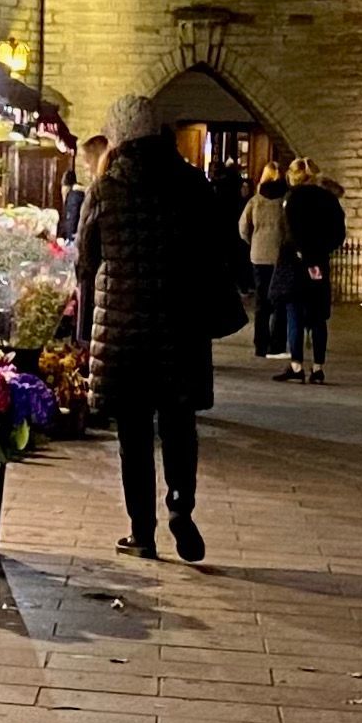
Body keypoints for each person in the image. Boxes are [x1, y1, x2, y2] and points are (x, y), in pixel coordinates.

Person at [81, 93, 234, 560]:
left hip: (124, 332)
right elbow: (217, 251)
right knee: (179, 424)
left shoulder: (105, 189)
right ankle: (180, 506)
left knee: (133, 434)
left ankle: (142, 533)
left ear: (119, 136)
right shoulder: (193, 185)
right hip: (180, 329)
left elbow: (86, 260)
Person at [280, 160, 347, 381]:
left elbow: (291, 232)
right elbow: (338, 233)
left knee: (295, 315)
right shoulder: (329, 199)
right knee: (318, 317)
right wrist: (322, 251)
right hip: (319, 262)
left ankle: (297, 365)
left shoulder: (293, 199)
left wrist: (301, 252)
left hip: (297, 264)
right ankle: (317, 367)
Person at [241, 169, 292, 356]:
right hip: (279, 256)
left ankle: (260, 344)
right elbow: (288, 230)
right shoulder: (283, 203)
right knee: (279, 301)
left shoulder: (255, 201)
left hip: (258, 255)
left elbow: (243, 228)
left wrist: (253, 241)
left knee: (262, 302)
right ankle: (277, 344)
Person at [58, 133, 109, 245]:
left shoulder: (101, 191)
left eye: (87, 160)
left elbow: (85, 239)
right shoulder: (98, 190)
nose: (85, 165)